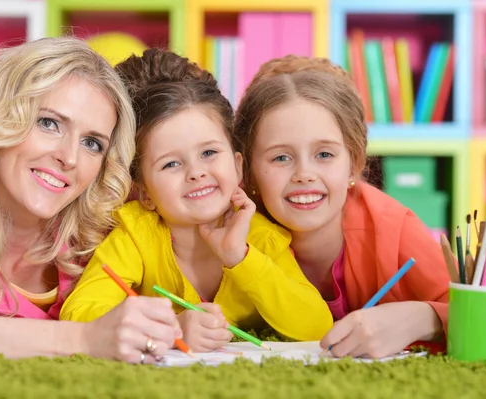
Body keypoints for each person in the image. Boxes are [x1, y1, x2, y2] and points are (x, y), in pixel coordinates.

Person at [0, 37, 181, 364]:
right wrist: (85, 338)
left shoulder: (103, 234)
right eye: (49, 123)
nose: (69, 157)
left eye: (92, 143)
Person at [60, 49, 332, 352]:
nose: (196, 173)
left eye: (209, 153)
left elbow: (316, 326)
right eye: (171, 164)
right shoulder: (137, 233)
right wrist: (173, 330)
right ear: (146, 193)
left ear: (238, 165)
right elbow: (78, 316)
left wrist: (239, 257)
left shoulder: (261, 238)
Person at [233, 55, 450, 358]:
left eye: (324, 154)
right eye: (281, 157)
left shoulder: (392, 227)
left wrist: (422, 318)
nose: (304, 174)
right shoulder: (232, 228)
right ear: (248, 172)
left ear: (354, 164)